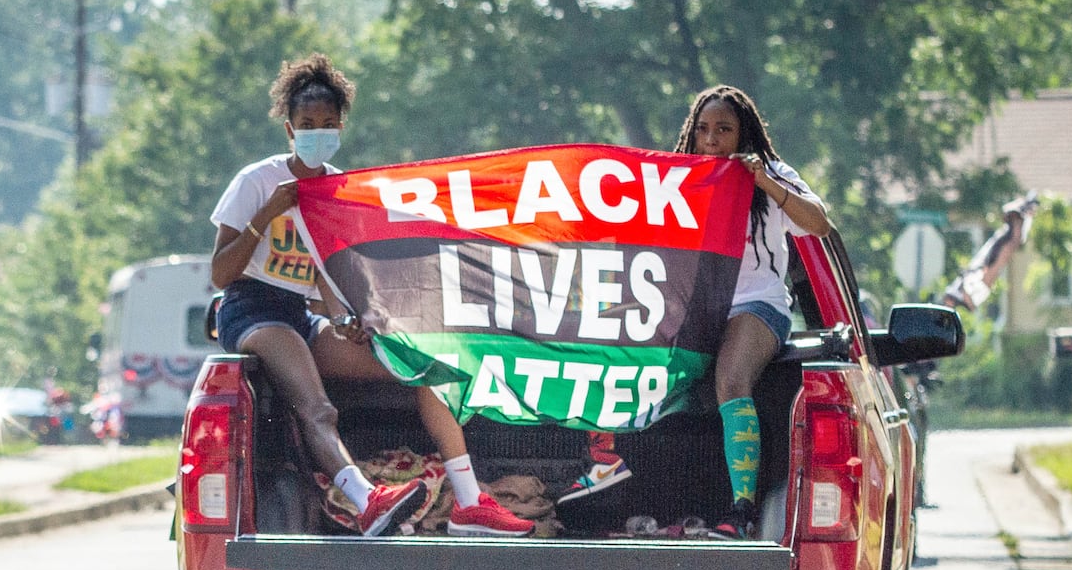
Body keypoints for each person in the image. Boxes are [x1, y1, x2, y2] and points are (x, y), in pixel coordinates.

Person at [209, 53, 533, 537]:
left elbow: (324, 275)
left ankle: (469, 502)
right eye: (306, 124)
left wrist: (347, 319)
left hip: (301, 314)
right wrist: (270, 211)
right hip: (252, 309)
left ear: (341, 126)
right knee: (317, 407)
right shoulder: (257, 181)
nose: (317, 132)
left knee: (424, 368)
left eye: (328, 123)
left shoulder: (338, 189)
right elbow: (220, 272)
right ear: (289, 130)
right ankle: (365, 501)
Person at [560, 84, 831, 539]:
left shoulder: (773, 173)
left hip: (756, 306)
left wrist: (762, 180)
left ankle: (742, 510)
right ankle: (606, 464)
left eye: (724, 130)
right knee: (605, 343)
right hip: (689, 307)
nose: (711, 140)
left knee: (730, 381)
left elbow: (818, 222)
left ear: (744, 134)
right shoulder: (676, 180)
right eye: (703, 129)